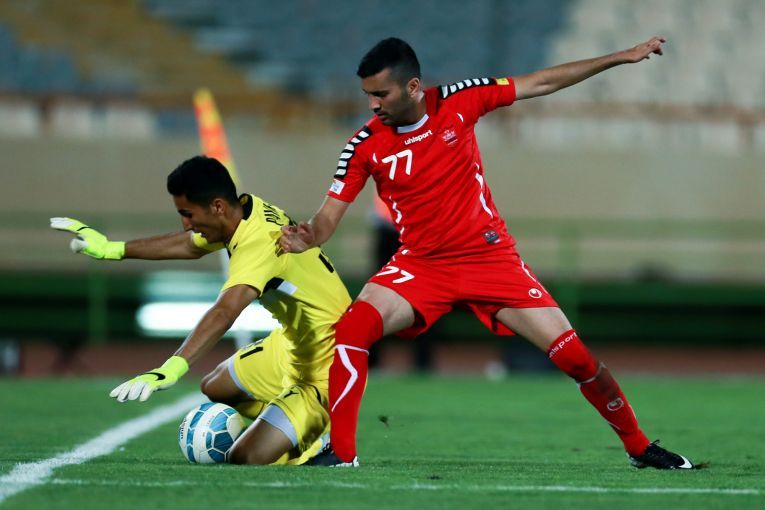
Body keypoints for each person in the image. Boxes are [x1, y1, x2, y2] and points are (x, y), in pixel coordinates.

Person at [279, 36, 696, 469]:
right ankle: (342, 453)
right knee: (352, 330)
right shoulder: (364, 145)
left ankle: (639, 447)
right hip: (421, 265)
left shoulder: (460, 100)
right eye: (368, 95)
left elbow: (541, 82)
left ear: (413, 87)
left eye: (380, 94)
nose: (372, 105)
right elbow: (327, 218)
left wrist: (620, 58)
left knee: (576, 358)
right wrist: (310, 235)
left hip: (489, 260)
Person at [50, 155, 351, 465]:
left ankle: (320, 438)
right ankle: (289, 422)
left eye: (188, 214)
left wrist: (171, 368)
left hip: (329, 362)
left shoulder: (259, 242)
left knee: (245, 457)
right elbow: (189, 245)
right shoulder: (245, 210)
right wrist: (111, 249)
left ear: (218, 206)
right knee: (215, 386)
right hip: (293, 345)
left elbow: (225, 311)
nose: (186, 224)